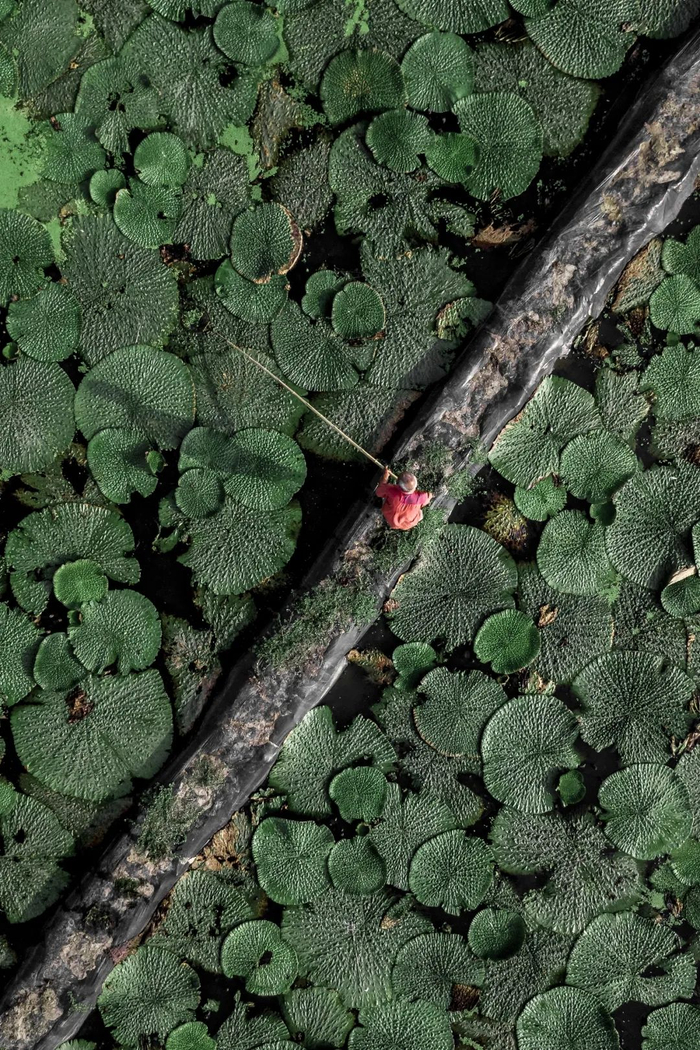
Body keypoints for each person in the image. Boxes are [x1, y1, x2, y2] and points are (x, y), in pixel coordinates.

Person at [375, 466, 433, 530]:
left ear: (398, 486)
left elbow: (378, 492)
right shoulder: (422, 497)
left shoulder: (391, 490)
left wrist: (385, 476)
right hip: (407, 524)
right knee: (420, 514)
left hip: (392, 521)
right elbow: (428, 497)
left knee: (386, 497)